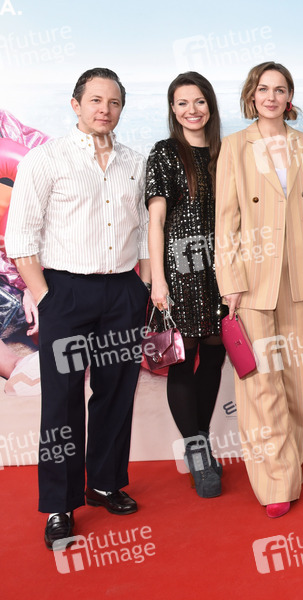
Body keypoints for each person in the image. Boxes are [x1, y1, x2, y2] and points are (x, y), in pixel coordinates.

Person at [6, 68, 150, 548]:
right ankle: (60, 504)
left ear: (121, 108)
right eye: (95, 100)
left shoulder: (135, 162)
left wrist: (143, 287)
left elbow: (143, 232)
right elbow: (21, 237)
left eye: (113, 102)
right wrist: (46, 296)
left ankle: (105, 483)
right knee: (61, 401)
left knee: (116, 393)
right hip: (64, 292)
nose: (104, 110)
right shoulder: (45, 159)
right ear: (75, 104)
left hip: (123, 292)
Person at [214, 61, 303, 518]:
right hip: (253, 277)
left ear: (289, 97)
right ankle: (275, 479)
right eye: (263, 89)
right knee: (261, 383)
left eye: (279, 89)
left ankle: (291, 462)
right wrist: (230, 281)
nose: (271, 97)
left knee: (296, 377)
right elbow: (226, 220)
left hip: (298, 274)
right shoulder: (235, 146)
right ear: (251, 95)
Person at [146, 71, 227, 498]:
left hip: (220, 272)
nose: (191, 110)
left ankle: (203, 440)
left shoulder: (224, 152)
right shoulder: (165, 153)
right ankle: (197, 454)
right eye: (182, 103)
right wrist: (158, 281)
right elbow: (155, 221)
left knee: (214, 357)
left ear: (210, 105)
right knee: (183, 359)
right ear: (172, 109)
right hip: (180, 273)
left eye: (198, 101)